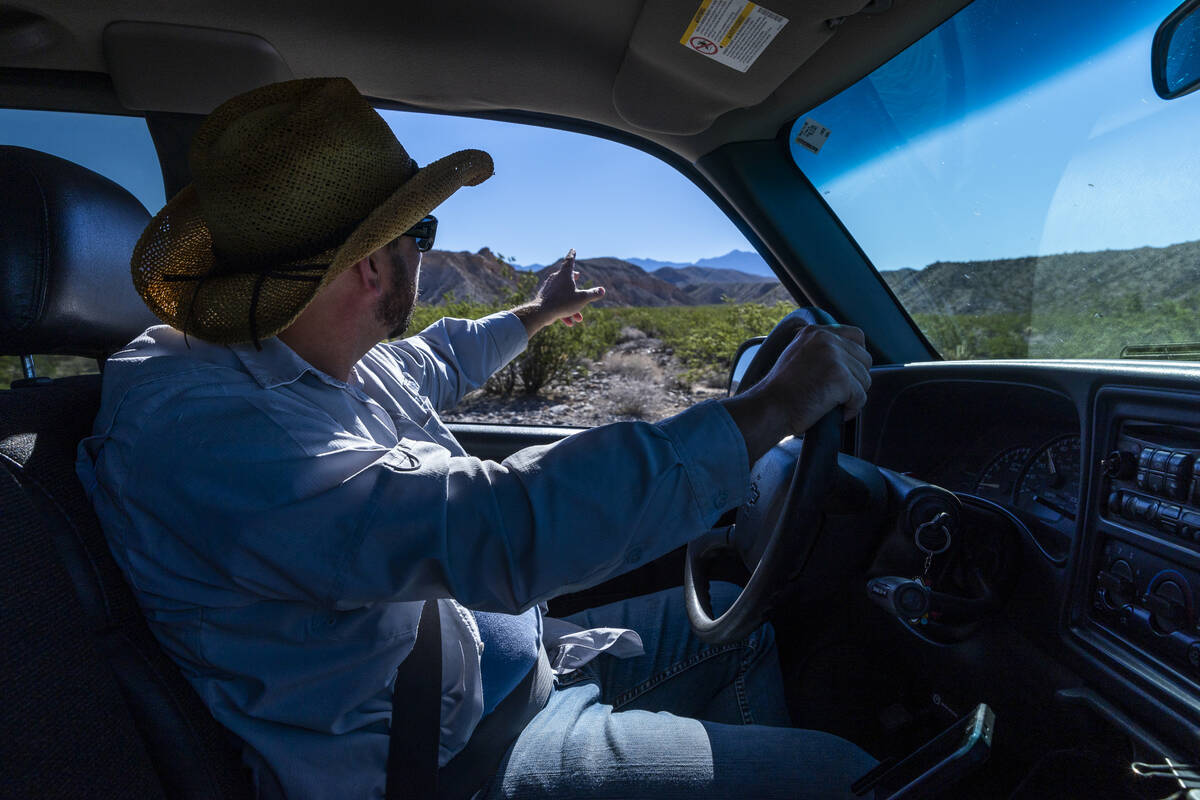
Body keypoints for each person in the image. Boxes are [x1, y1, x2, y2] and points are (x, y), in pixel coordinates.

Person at [76, 77, 876, 799]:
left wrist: (537, 313)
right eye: (416, 233)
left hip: (518, 675)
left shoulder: (309, 355)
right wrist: (777, 406)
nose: (423, 252)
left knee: (737, 616)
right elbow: (504, 527)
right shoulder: (204, 433)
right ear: (370, 270)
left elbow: (437, 359)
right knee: (844, 778)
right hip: (451, 761)